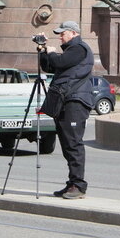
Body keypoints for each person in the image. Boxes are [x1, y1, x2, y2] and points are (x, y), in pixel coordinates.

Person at [38, 21, 95, 200]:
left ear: (73, 33)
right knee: (67, 143)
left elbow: (60, 62)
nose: (60, 37)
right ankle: (72, 183)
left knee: (73, 143)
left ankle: (78, 185)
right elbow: (49, 66)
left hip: (76, 101)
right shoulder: (71, 50)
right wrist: (42, 49)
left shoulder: (79, 48)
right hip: (66, 101)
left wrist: (52, 52)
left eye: (62, 34)